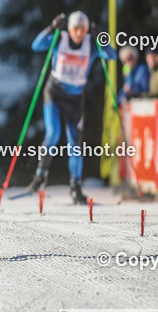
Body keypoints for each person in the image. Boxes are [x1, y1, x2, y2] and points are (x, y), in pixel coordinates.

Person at [27, 11, 116, 204]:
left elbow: (112, 56)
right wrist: (51, 28)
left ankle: (75, 187)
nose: (79, 33)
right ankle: (40, 175)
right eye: (75, 28)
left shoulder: (91, 45)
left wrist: (101, 37)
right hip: (55, 93)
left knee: (75, 145)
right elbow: (36, 45)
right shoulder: (61, 39)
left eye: (83, 30)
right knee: (53, 133)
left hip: (75, 99)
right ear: (70, 28)